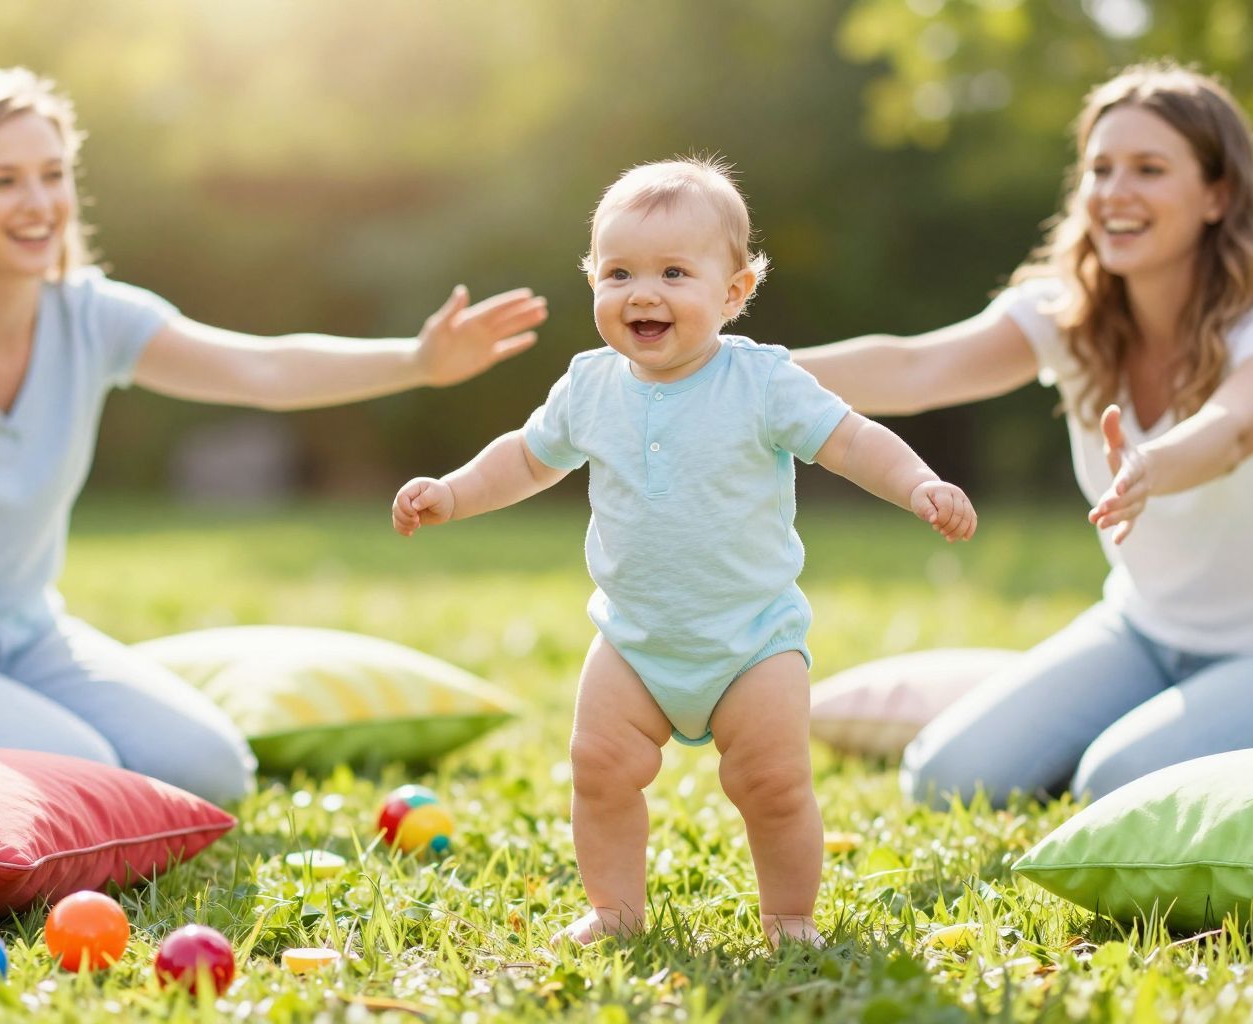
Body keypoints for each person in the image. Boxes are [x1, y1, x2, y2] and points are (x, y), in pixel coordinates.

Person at [0, 67, 548, 805]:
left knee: (212, 769)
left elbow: (261, 369)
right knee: (83, 770)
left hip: (26, 637)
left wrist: (416, 361)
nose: (38, 203)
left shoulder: (92, 317)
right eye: (3, 181)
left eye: (52, 175)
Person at [391, 157, 976, 947]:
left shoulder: (762, 381)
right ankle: (614, 911)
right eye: (619, 272)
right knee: (597, 767)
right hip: (634, 640)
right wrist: (454, 492)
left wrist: (917, 484)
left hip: (752, 641)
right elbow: (526, 458)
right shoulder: (589, 386)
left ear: (733, 292)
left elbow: (849, 441)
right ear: (594, 281)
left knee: (770, 783)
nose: (643, 293)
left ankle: (790, 918)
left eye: (674, 271)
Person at [790, 63, 1253, 809]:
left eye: (1149, 169)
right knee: (945, 779)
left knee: (1117, 782)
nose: (1114, 192)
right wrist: (726, 367)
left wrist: (1152, 464)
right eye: (1100, 169)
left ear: (1218, 195)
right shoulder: (1070, 317)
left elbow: (1234, 428)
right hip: (1143, 629)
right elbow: (914, 368)